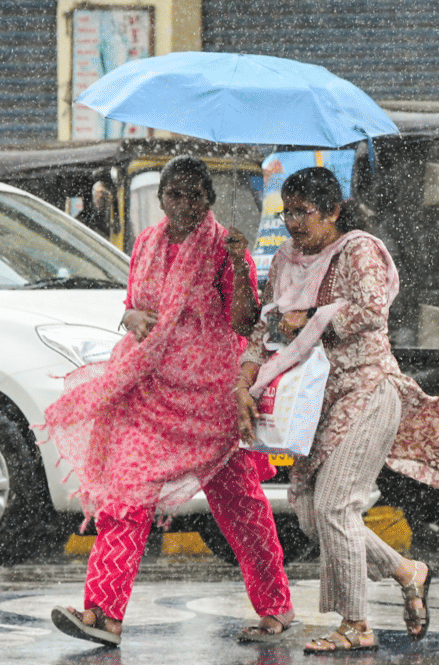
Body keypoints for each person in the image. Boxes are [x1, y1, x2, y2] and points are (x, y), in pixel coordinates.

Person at [37, 155, 294, 647]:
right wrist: (132, 318)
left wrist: (239, 266)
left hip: (210, 401)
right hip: (151, 393)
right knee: (126, 497)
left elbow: (243, 323)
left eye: (195, 195)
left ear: (209, 199)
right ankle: (103, 614)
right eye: (175, 194)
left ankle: (276, 607)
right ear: (161, 198)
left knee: (240, 508)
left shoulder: (224, 249)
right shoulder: (147, 243)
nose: (184, 204)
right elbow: (134, 306)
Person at [235, 166, 439, 654]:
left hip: (367, 389)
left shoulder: (358, 249)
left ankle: (357, 624)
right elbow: (262, 332)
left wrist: (312, 317)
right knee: (314, 514)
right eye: (287, 212)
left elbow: (372, 311)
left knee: (335, 506)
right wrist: (243, 384)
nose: (293, 222)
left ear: (333, 211)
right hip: (313, 403)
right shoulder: (285, 260)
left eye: (304, 212)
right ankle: (408, 571)